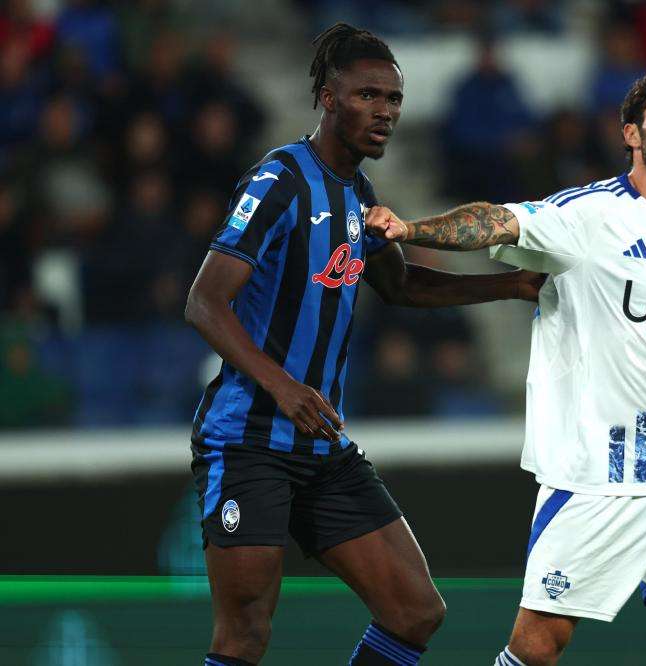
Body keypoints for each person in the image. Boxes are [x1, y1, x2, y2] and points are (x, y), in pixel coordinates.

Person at [366, 65, 646, 666]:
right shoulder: (587, 216)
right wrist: (409, 229)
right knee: (538, 646)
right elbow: (496, 220)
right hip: (594, 478)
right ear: (631, 133)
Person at [184, 23, 542, 666]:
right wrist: (283, 387)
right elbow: (204, 301)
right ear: (328, 98)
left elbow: (401, 287)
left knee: (415, 612)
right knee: (244, 634)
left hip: (321, 445)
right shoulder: (280, 179)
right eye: (368, 95)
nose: (385, 112)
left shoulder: (358, 195)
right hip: (249, 440)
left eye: (394, 99)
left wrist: (510, 284)